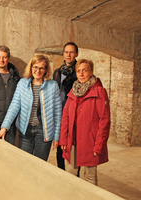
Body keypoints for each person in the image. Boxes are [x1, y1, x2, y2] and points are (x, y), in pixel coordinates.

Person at [0, 55, 62, 161]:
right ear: (31, 68)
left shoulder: (53, 86)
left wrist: (56, 137)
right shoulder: (22, 83)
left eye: (41, 68)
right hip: (25, 131)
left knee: (40, 164)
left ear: (46, 70)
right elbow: (14, 106)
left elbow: (57, 113)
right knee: (24, 162)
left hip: (43, 132)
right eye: (35, 67)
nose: (38, 70)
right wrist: (4, 127)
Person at [59, 59, 110, 185]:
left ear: (91, 72)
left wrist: (99, 145)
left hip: (90, 142)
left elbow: (104, 121)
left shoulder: (99, 92)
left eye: (84, 70)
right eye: (78, 71)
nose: (81, 74)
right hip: (72, 141)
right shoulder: (74, 90)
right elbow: (65, 116)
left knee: (90, 178)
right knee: (70, 176)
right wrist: (63, 139)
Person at [53, 42, 78, 170]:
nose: (69, 55)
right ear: (63, 53)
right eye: (66, 52)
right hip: (60, 113)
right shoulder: (57, 72)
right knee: (59, 145)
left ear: (76, 54)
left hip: (74, 113)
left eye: (71, 52)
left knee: (74, 145)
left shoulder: (78, 72)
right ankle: (61, 171)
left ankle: (76, 173)